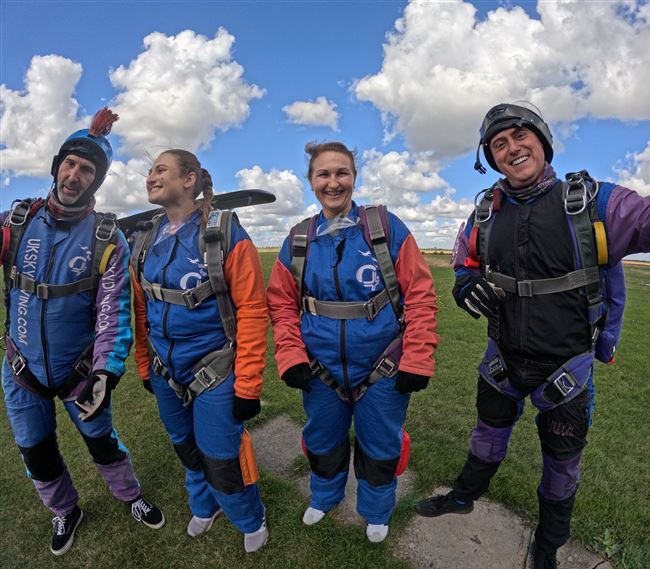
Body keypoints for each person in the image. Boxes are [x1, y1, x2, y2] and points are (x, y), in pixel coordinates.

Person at [415, 103, 650, 568]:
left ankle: (548, 545)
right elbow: (465, 259)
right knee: (486, 439)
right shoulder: (485, 213)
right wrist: (464, 284)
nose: (512, 148)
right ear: (492, 157)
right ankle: (463, 497)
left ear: (542, 141)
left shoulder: (593, 203)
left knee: (562, 466)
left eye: (520, 135)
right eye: (498, 144)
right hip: (502, 361)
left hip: (566, 370)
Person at [0, 108, 165, 557]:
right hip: (21, 369)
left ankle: (130, 495)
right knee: (35, 451)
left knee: (103, 442)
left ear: (97, 181)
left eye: (87, 169)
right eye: (70, 164)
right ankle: (65, 510)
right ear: (57, 167)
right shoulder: (17, 222)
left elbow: (115, 312)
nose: (75, 175)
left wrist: (105, 372)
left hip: (80, 372)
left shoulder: (107, 237)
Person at [267, 141, 438, 543]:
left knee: (381, 443)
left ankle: (376, 510)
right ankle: (325, 496)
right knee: (322, 439)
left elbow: (420, 295)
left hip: (383, 366)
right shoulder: (299, 239)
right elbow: (281, 303)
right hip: (319, 368)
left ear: (354, 178)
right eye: (323, 174)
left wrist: (417, 358)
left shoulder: (384, 228)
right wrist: (291, 355)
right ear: (311, 182)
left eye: (341, 172)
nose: (333, 182)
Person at [131, 149, 268, 553]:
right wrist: (145, 364)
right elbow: (141, 309)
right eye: (150, 171)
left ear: (189, 179)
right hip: (165, 369)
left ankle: (249, 517)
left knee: (221, 455)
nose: (151, 177)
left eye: (161, 169)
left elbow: (253, 311)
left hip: (216, 369)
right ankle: (204, 504)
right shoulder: (146, 239)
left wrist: (248, 385)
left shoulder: (223, 233)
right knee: (185, 445)